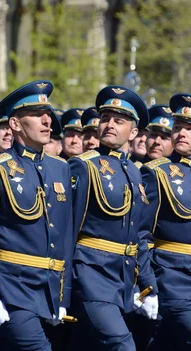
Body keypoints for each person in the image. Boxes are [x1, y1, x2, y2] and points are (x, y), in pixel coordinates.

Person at [0, 80, 74, 351]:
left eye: (48, 114)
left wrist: (61, 295)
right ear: (15, 124)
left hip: (46, 290)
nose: (48, 121)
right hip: (10, 289)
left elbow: (65, 238)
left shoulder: (60, 169)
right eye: (37, 115)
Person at [68, 86, 158, 350]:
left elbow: (138, 235)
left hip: (122, 279)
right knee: (123, 345)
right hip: (90, 275)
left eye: (118, 121)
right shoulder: (83, 165)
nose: (109, 125)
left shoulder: (133, 170)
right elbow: (67, 229)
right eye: (105, 119)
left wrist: (148, 284)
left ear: (133, 132)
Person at [141, 93, 191, 350]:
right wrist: (146, 283)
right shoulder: (156, 172)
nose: (181, 133)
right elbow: (142, 234)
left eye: (190, 128)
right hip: (172, 277)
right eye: (177, 127)